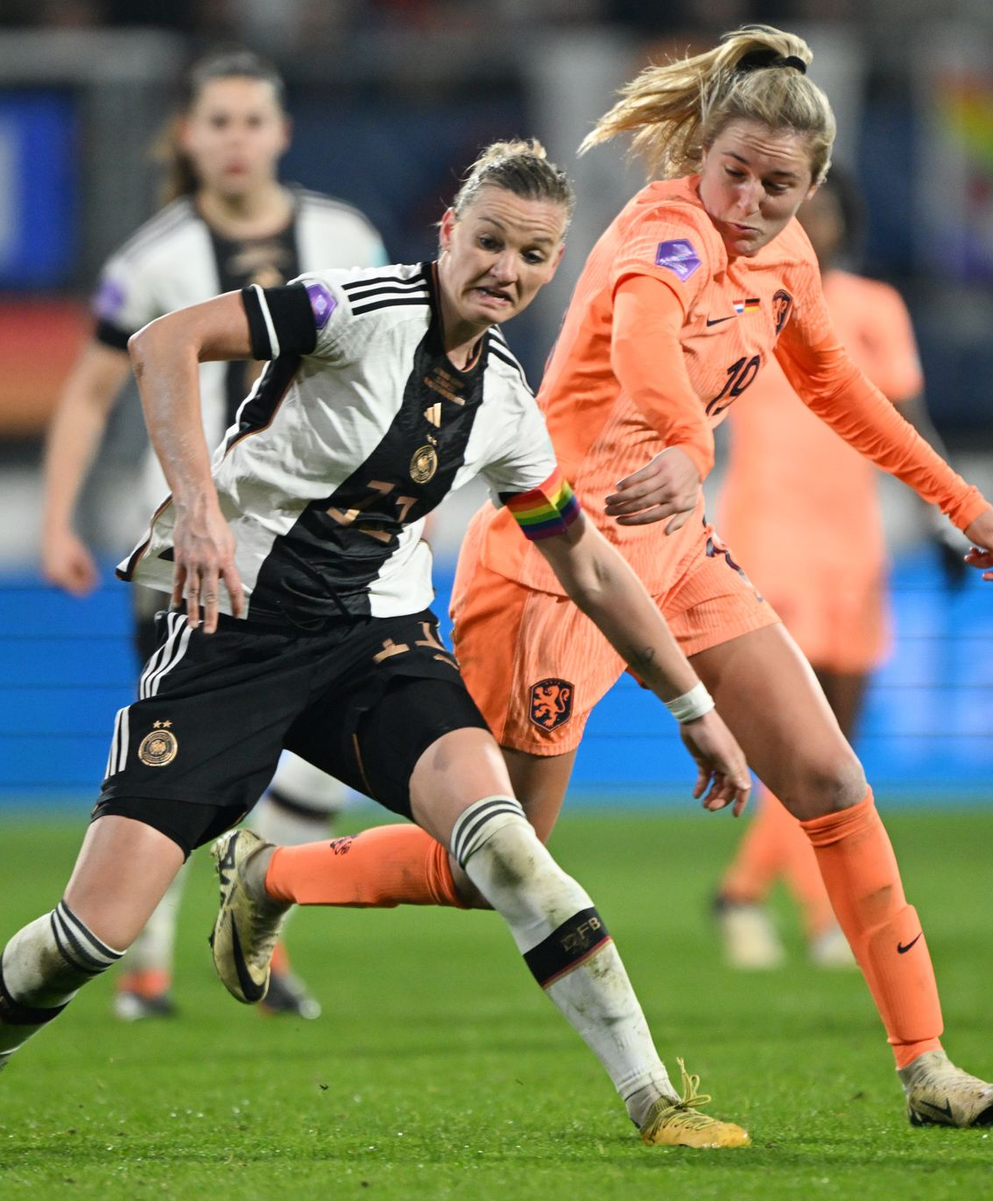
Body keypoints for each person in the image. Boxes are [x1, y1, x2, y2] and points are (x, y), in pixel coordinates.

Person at [256, 27, 993, 1128]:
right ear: (701, 147)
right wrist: (689, 446)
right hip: (557, 566)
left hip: (677, 555)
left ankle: (929, 1067)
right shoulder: (665, 236)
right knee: (496, 861)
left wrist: (964, 501)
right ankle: (270, 876)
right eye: (734, 172)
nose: (747, 201)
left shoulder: (787, 259)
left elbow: (841, 389)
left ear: (815, 186)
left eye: (777, 185)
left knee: (833, 784)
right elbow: (649, 344)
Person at [0, 140, 755, 1149]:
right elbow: (163, 341)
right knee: (94, 935)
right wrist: (197, 509)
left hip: (377, 641)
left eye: (533, 254)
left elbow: (589, 567)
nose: (505, 268)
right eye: (490, 239)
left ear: (554, 266)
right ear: (448, 233)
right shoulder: (351, 308)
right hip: (231, 632)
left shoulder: (507, 404)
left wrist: (696, 709)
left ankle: (654, 1099)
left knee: (508, 847)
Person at [39, 48, 387, 1020]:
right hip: (196, 541)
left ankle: (258, 925)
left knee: (322, 761)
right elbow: (88, 396)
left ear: (281, 133)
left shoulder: (342, 235)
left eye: (251, 120)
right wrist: (56, 516)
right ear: (187, 136)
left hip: (326, 540)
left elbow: (388, 373)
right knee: (180, 752)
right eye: (217, 121)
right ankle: (146, 965)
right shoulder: (152, 260)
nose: (235, 139)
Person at [712, 169, 963, 970]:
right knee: (807, 740)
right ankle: (825, 920)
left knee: (838, 745)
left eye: (821, 210)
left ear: (844, 221)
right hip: (768, 533)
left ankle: (742, 893)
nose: (807, 224)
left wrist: (946, 519)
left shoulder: (874, 309)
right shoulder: (742, 296)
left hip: (852, 541)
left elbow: (906, 421)